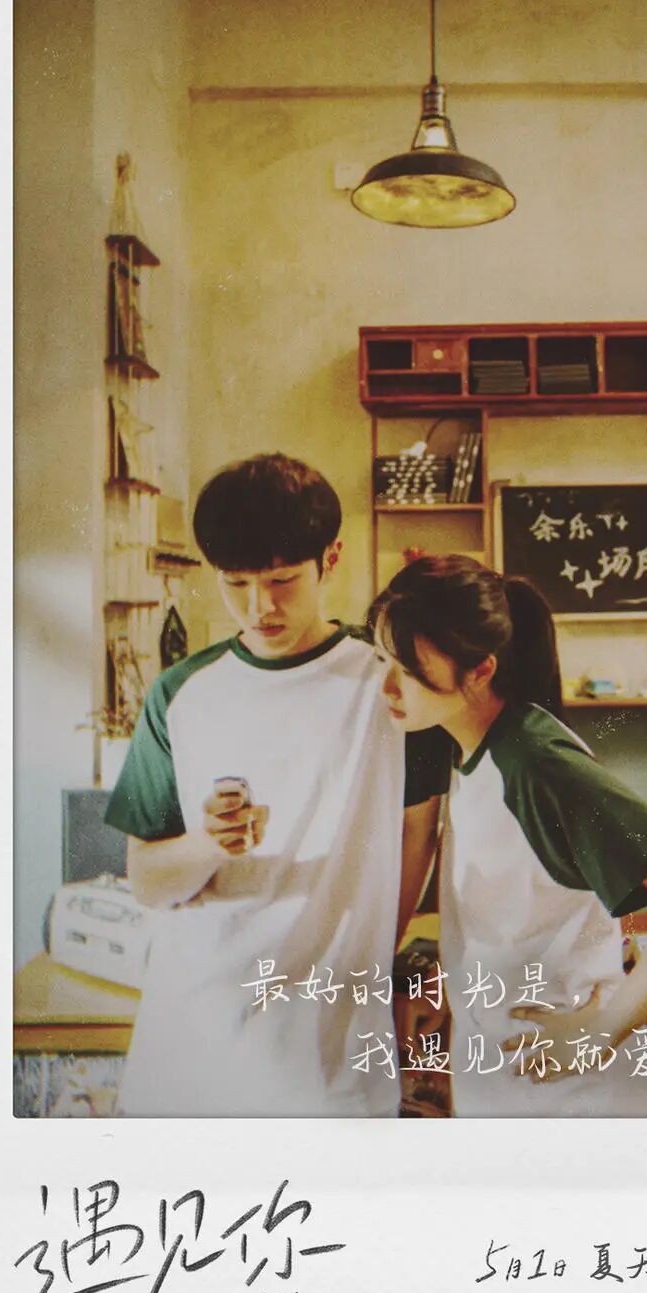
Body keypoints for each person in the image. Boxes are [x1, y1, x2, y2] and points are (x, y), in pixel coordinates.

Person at [105, 453, 447, 1117]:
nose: (260, 607)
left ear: (331, 558)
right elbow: (147, 881)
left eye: (283, 580)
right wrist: (210, 842)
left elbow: (419, 829)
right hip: (195, 1037)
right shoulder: (181, 694)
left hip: (329, 1049)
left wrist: (374, 951)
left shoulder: (389, 681)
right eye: (236, 583)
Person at [368, 554, 647, 1118]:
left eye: (409, 670)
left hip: (578, 1101)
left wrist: (603, 1032)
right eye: (383, 660)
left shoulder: (534, 761)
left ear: (480, 671)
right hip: (510, 1079)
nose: (388, 686)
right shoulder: (467, 747)